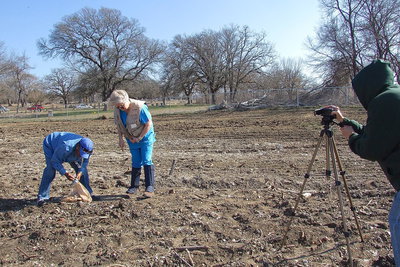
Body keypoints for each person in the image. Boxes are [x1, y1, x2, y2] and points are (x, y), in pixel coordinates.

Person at [332, 59, 400, 265]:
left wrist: (351, 138)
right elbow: (381, 134)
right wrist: (346, 123)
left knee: (397, 223)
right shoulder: (393, 97)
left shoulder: (384, 102)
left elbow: (371, 148)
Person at [108, 90, 156, 198]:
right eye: (118, 107)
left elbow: (148, 124)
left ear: (127, 100)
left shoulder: (139, 108)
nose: (121, 108)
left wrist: (139, 137)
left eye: (122, 106)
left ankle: (150, 187)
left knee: (146, 159)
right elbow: (119, 125)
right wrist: (120, 139)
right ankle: (134, 186)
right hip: (131, 138)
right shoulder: (118, 110)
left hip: (145, 138)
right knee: (136, 161)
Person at [37, 132, 94, 206]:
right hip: (51, 144)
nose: (81, 156)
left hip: (70, 151)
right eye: (80, 153)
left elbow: (84, 163)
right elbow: (55, 161)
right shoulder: (66, 147)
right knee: (50, 169)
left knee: (83, 172)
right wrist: (65, 173)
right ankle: (42, 197)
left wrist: (80, 172)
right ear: (78, 147)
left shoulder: (88, 149)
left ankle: (87, 194)